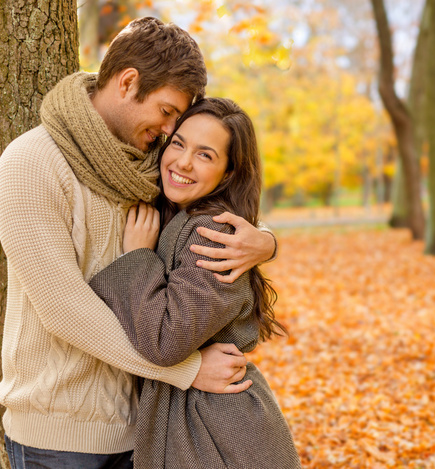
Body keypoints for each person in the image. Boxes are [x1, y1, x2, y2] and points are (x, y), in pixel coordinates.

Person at [0, 18, 276, 468]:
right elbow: (63, 309)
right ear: (128, 82)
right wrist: (186, 370)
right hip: (59, 437)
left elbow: (215, 203)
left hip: (146, 430)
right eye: (168, 112)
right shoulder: (31, 163)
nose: (170, 131)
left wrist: (265, 240)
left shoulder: (150, 163)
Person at [89, 97, 301, 469]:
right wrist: (268, 241)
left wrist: (137, 257)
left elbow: (166, 341)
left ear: (229, 173)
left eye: (205, 155)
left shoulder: (212, 231)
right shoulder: (179, 214)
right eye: (179, 144)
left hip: (216, 431)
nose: (183, 162)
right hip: (195, 419)